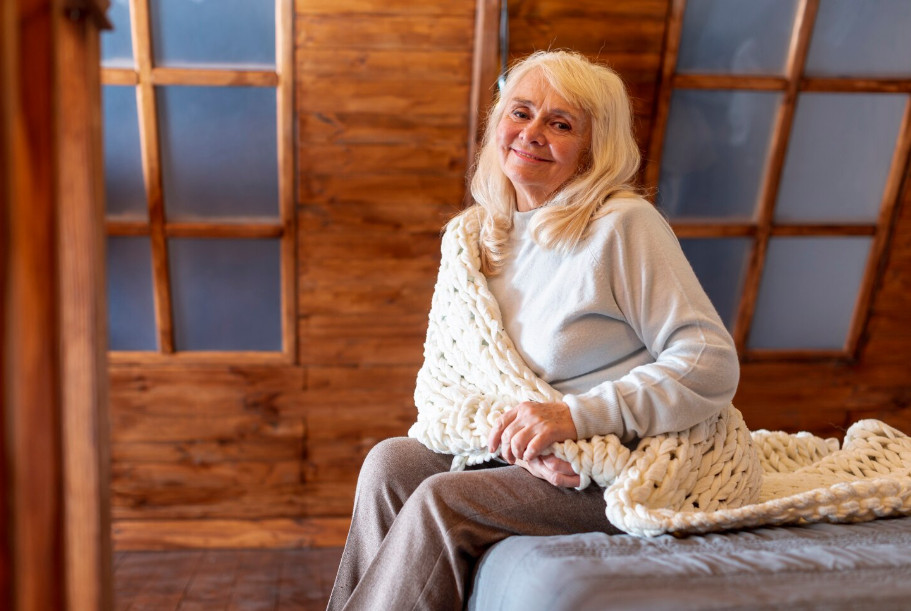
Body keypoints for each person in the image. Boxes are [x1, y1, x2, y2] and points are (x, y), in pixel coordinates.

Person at [327, 50, 739, 610]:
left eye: (561, 124)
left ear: (594, 149)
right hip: (531, 454)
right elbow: (444, 391)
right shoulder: (472, 239)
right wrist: (522, 446)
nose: (532, 132)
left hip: (623, 461)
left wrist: (575, 419)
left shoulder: (621, 225)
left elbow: (709, 361)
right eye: (520, 112)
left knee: (442, 501)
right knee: (391, 463)